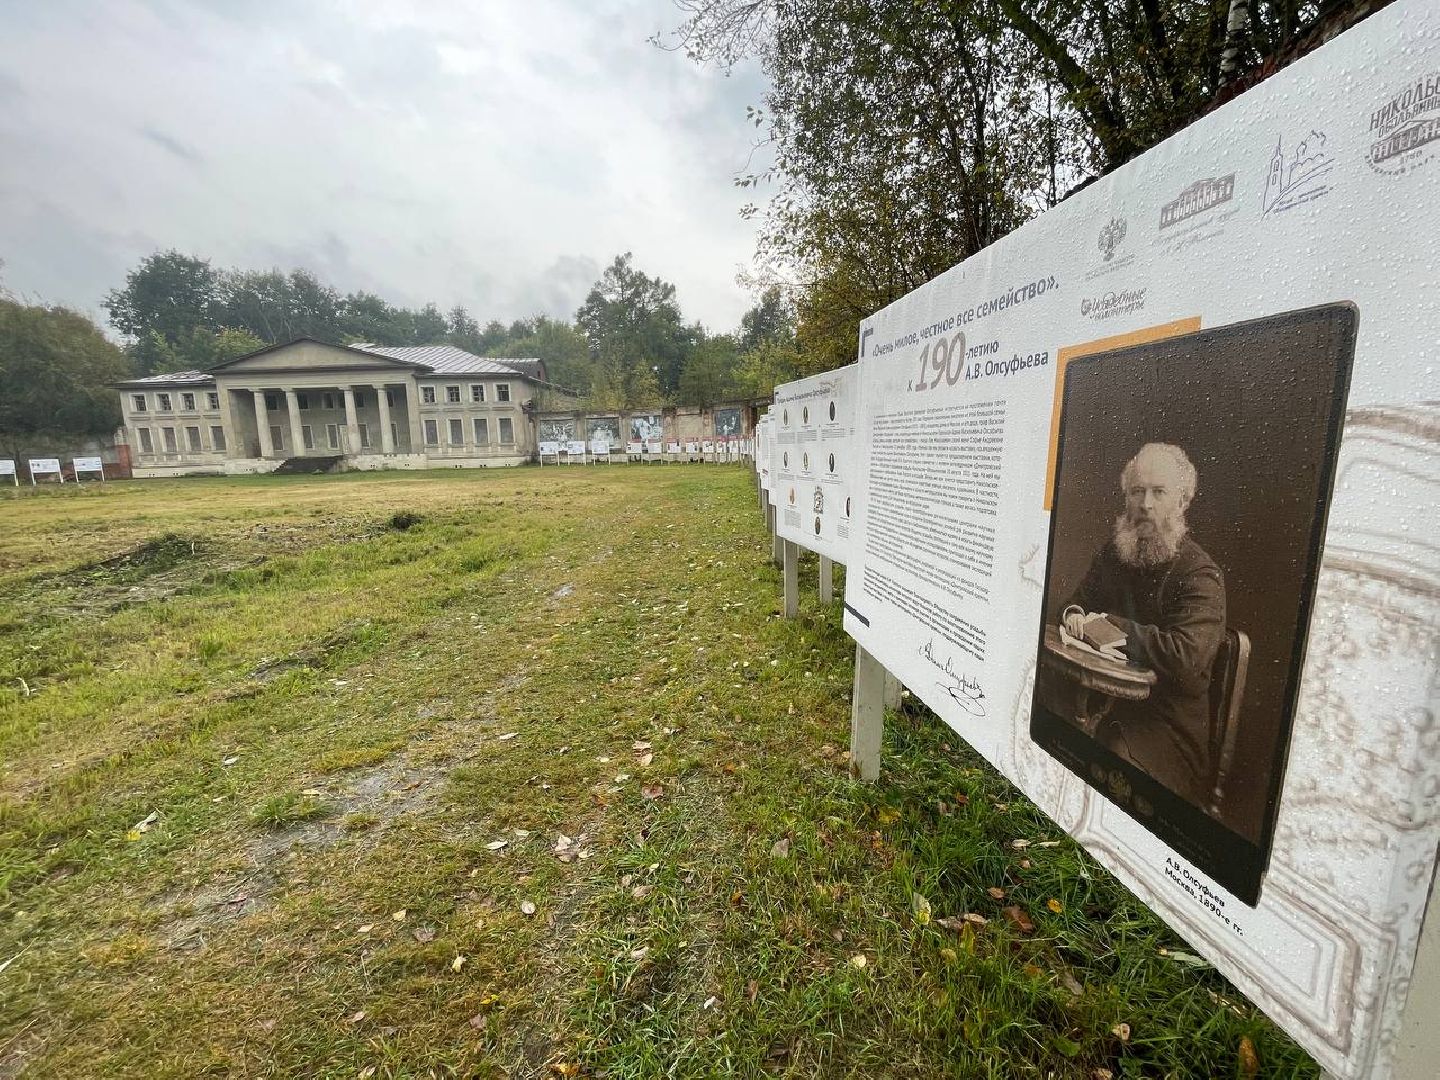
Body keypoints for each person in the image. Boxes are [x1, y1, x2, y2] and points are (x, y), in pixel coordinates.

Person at [1059, 442, 1226, 803]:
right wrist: (1073, 615)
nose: (1145, 504)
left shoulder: (1199, 573)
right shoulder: (1117, 552)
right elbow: (1076, 603)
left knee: (1111, 753)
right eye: (1137, 492)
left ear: (1181, 501)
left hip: (1167, 730)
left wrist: (1108, 625)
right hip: (1106, 701)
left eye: (1158, 492)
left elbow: (1185, 657)